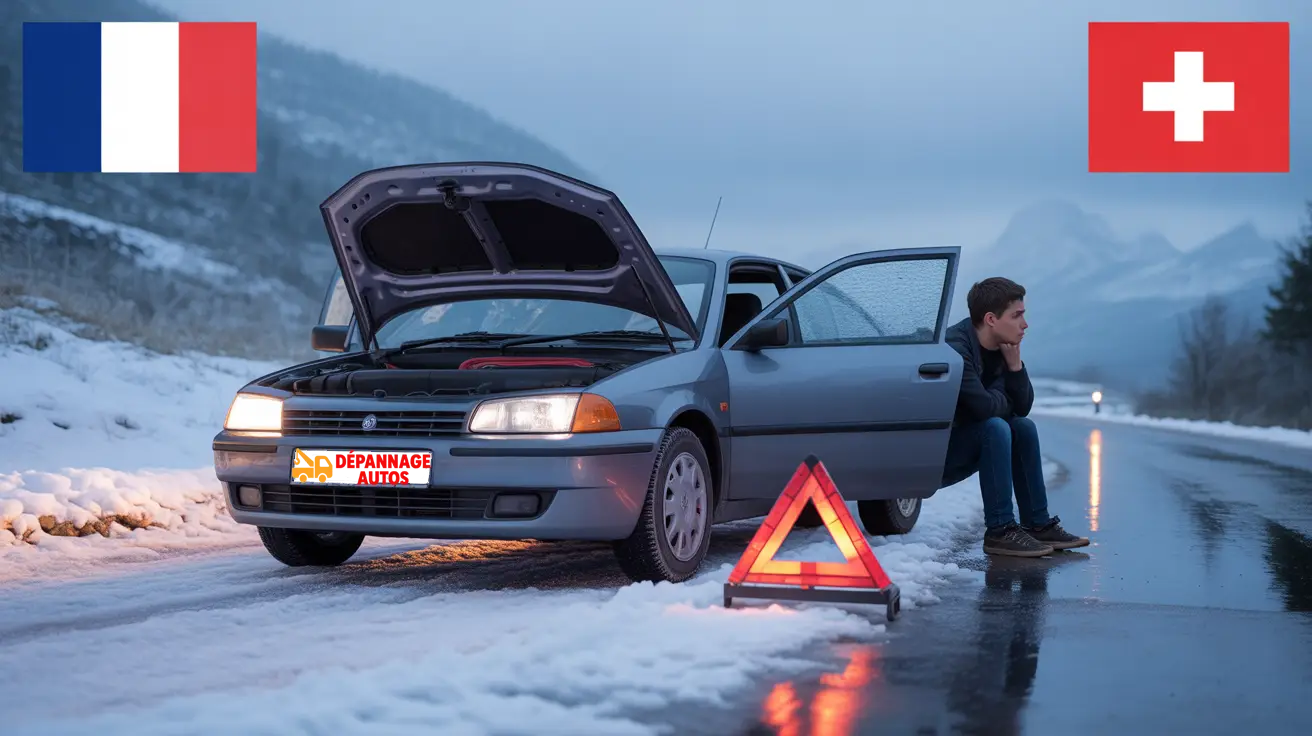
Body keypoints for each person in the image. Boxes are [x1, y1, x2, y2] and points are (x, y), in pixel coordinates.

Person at [942, 277, 1090, 557]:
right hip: (938, 455)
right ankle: (999, 531)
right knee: (996, 427)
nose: (1025, 324)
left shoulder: (1000, 348)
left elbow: (1021, 407)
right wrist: (1002, 398)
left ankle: (1037, 524)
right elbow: (984, 409)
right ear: (991, 319)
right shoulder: (956, 349)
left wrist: (1015, 366)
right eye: (1017, 316)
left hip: (970, 439)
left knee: (1022, 427)